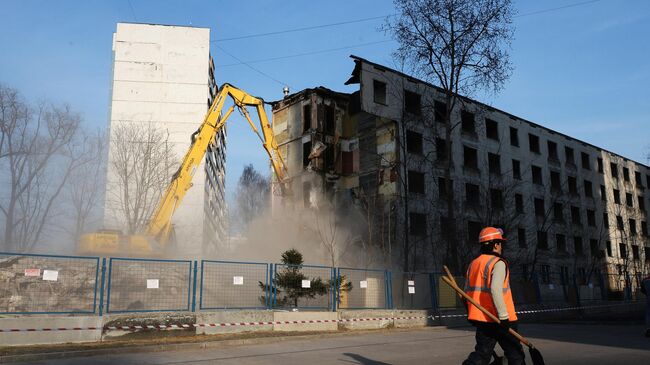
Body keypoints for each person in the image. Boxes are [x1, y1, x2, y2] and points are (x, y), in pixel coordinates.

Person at [462, 227, 525, 365]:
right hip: (502, 319)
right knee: (515, 355)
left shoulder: (473, 264)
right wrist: (503, 317)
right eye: (501, 243)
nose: (501, 246)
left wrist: (470, 314)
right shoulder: (498, 263)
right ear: (496, 244)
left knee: (482, 354)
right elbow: (496, 290)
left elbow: (466, 293)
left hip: (483, 319)